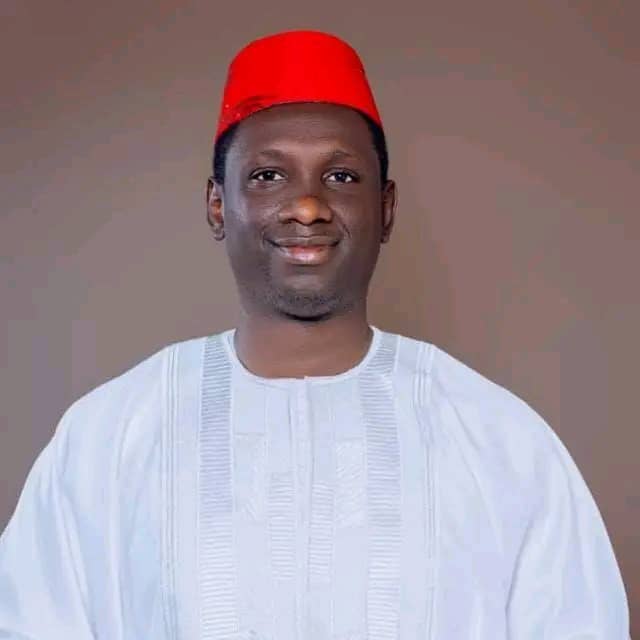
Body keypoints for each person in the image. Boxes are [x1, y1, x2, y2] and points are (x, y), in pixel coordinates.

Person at [0, 29, 630, 640]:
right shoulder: (109, 437)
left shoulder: (498, 439)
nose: (307, 206)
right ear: (217, 205)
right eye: (268, 176)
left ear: (386, 209)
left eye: (342, 177)